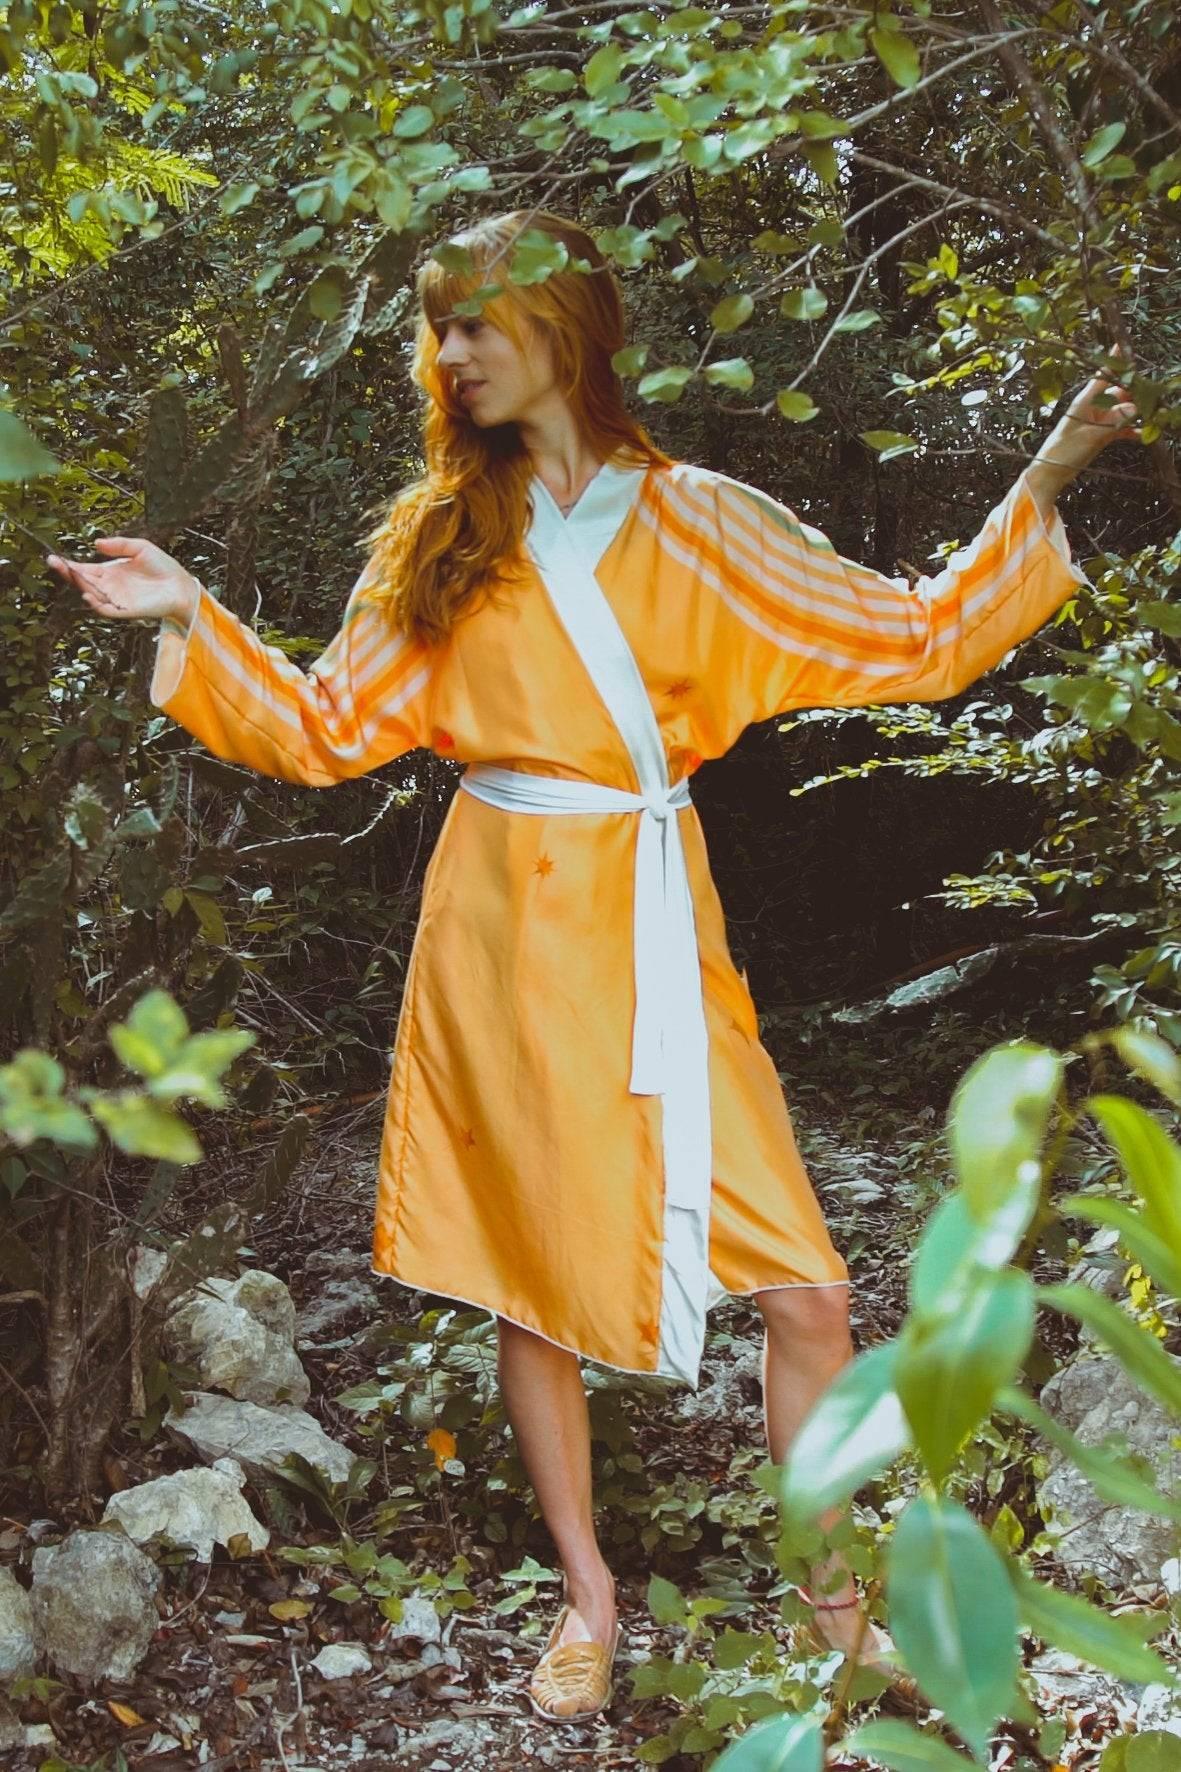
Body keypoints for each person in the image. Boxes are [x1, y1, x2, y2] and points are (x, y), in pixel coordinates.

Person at [47, 209, 1138, 1724]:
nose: (451, 353)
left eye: (477, 321)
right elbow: (323, 729)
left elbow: (910, 641)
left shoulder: (703, 520)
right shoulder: (439, 538)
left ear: (562, 327)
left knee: (809, 1294)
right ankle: (588, 1599)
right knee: (534, 1284)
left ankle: (833, 1611)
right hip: (504, 929)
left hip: (653, 908)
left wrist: (1046, 476)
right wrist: (193, 616)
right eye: (438, 328)